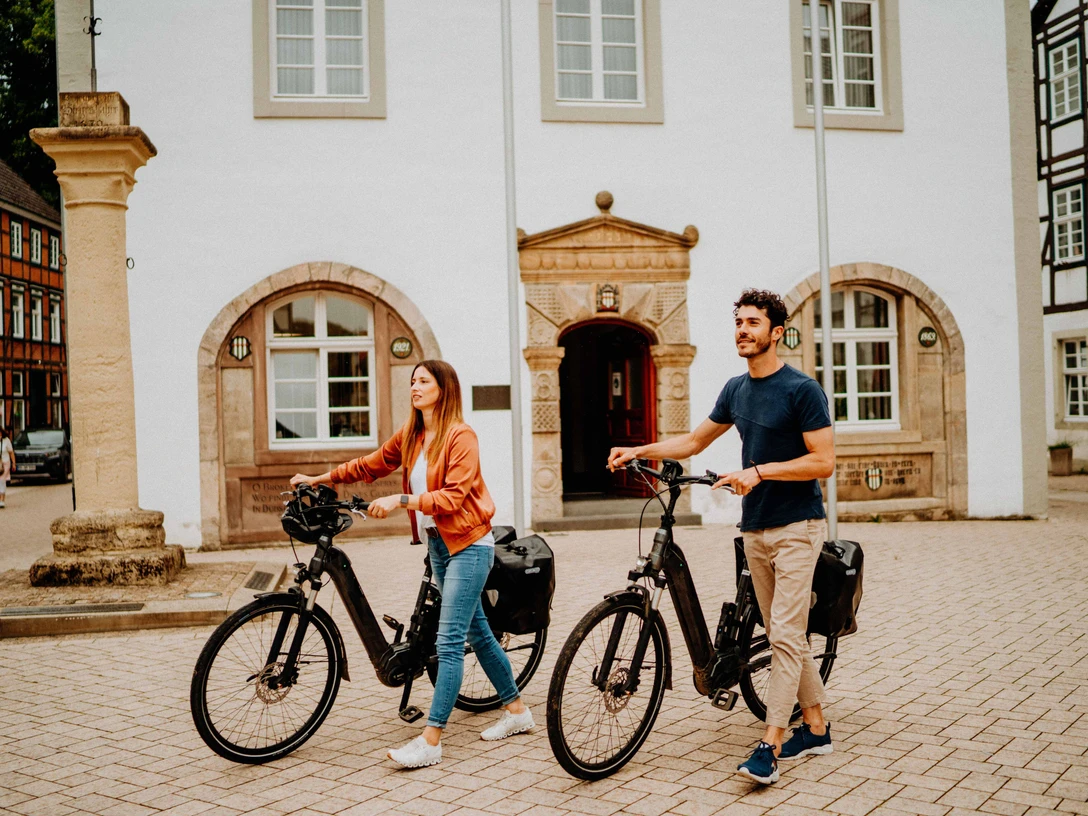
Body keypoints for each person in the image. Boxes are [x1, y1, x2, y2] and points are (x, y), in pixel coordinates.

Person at [607, 288, 836, 786]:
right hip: (755, 526)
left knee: (786, 636)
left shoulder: (802, 390)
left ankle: (770, 745)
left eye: (753, 323)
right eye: (739, 322)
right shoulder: (736, 389)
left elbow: (824, 462)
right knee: (783, 636)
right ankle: (816, 728)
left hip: (799, 527)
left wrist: (759, 471)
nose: (743, 330)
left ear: (777, 332)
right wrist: (637, 449)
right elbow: (693, 441)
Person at [290, 359, 533, 769]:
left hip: (471, 545)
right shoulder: (414, 434)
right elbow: (371, 464)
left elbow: (453, 497)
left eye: (423, 381)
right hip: (439, 544)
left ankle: (431, 740)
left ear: (444, 388)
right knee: (479, 631)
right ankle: (517, 711)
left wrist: (402, 500)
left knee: (449, 641)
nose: (415, 387)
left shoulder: (461, 436)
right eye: (412, 381)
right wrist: (319, 479)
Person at [0, 428, 13, 509]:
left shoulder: (6, 441)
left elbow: (11, 452)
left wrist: (14, 463)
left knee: (2, 480)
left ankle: (2, 499)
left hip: (5, 463)